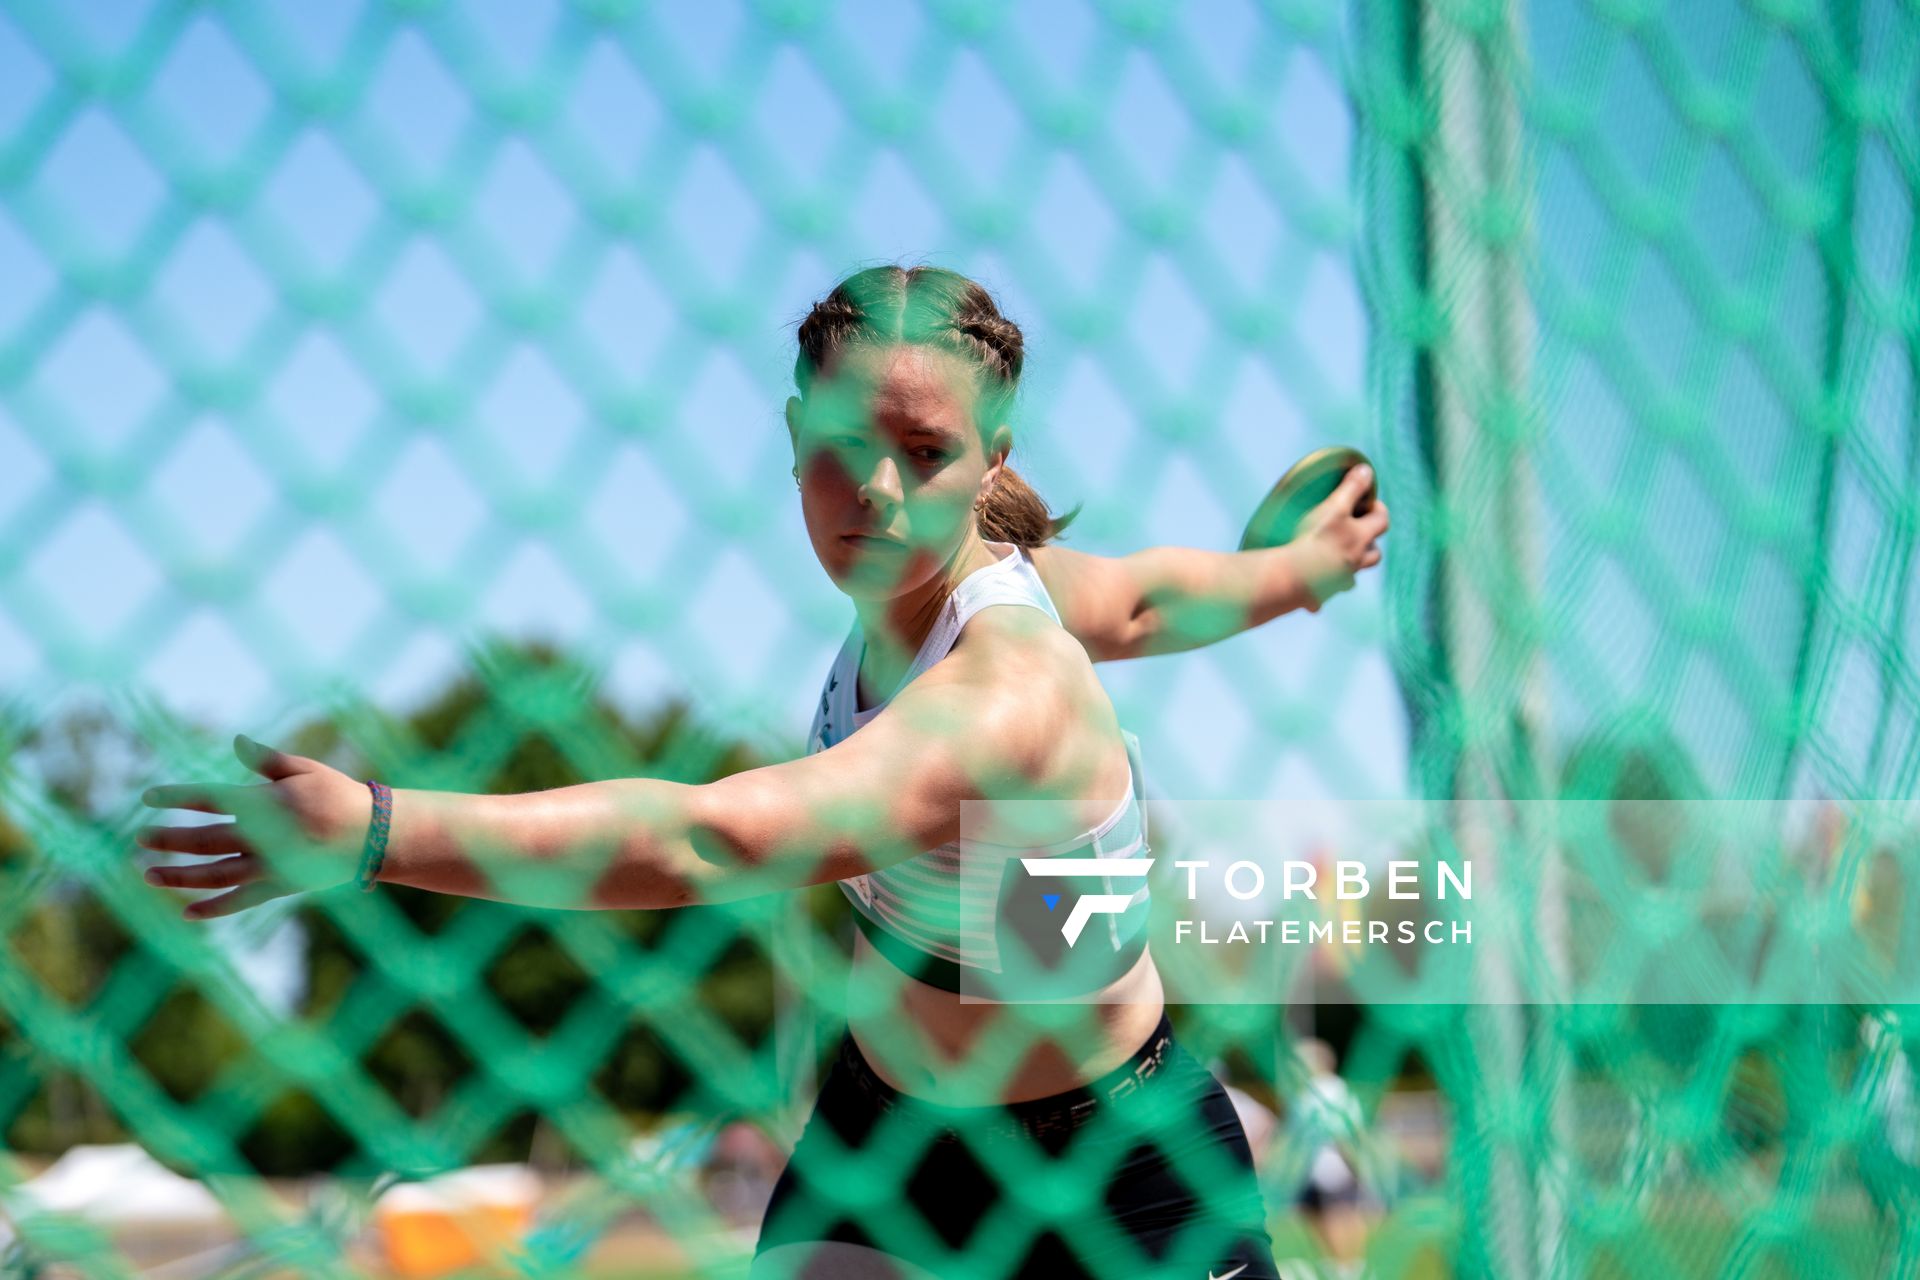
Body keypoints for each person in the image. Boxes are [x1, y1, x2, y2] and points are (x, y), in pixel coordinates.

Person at [136, 264, 1390, 1278]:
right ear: (794, 439)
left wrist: (378, 828)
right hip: (890, 1134)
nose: (879, 488)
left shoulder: (1004, 686)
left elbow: (713, 840)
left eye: (927, 449)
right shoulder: (950, 589)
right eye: (846, 442)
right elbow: (1149, 596)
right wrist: (1292, 572)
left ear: (993, 461)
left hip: (1117, 1160)